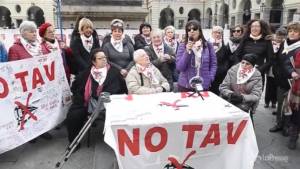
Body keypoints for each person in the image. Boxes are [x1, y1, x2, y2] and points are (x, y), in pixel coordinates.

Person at [66, 48, 127, 144]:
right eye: (100, 58)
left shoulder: (114, 72)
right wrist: (81, 97)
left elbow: (123, 88)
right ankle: (74, 142)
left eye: (105, 57)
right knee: (73, 115)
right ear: (94, 62)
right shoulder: (86, 73)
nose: (104, 59)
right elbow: (75, 87)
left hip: (109, 102)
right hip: (88, 102)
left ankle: (121, 141)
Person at [7, 21, 52, 141]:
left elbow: (50, 59)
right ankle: (31, 134)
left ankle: (43, 130)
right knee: (28, 109)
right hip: (26, 86)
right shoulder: (14, 48)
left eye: (35, 31)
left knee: (41, 107)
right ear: (23, 33)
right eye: (31, 31)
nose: (34, 33)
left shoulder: (40, 46)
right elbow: (13, 69)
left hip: (41, 83)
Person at [176, 20, 217, 92]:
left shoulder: (208, 45)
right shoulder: (182, 46)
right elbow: (180, 68)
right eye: (189, 30)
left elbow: (213, 64)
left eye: (194, 29)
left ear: (199, 31)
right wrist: (187, 51)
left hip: (203, 84)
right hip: (185, 85)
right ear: (187, 33)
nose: (191, 31)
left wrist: (210, 78)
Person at [219, 53, 263, 121]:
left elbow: (256, 95)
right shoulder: (233, 70)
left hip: (245, 105)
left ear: (253, 65)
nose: (244, 65)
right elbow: (223, 87)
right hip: (230, 101)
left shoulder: (257, 76)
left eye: (247, 64)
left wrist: (242, 98)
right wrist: (231, 94)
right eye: (242, 62)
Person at [233, 19, 273, 86]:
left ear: (261, 28)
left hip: (257, 74)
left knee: (255, 94)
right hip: (242, 73)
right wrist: (240, 67)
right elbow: (237, 54)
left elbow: (270, 60)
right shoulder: (245, 39)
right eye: (252, 26)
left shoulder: (267, 41)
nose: (254, 28)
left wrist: (258, 70)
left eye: (257, 26)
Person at [269, 27, 290, 135]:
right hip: (281, 79)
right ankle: (279, 123)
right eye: (278, 36)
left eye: (283, 36)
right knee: (280, 102)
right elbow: (273, 60)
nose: (280, 38)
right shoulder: (276, 45)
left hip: (292, 79)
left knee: (290, 104)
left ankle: (287, 126)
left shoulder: (292, 46)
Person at [282, 22, 300, 150]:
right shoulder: (298, 49)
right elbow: (287, 63)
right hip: (297, 87)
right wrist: (292, 72)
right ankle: (293, 138)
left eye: (296, 31)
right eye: (291, 30)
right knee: (296, 114)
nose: (292, 33)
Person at [209, 26, 231, 95]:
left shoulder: (225, 47)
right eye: (215, 32)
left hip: (220, 75)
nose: (217, 34)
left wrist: (224, 69)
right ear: (212, 33)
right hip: (209, 74)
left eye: (219, 33)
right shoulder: (206, 45)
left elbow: (227, 59)